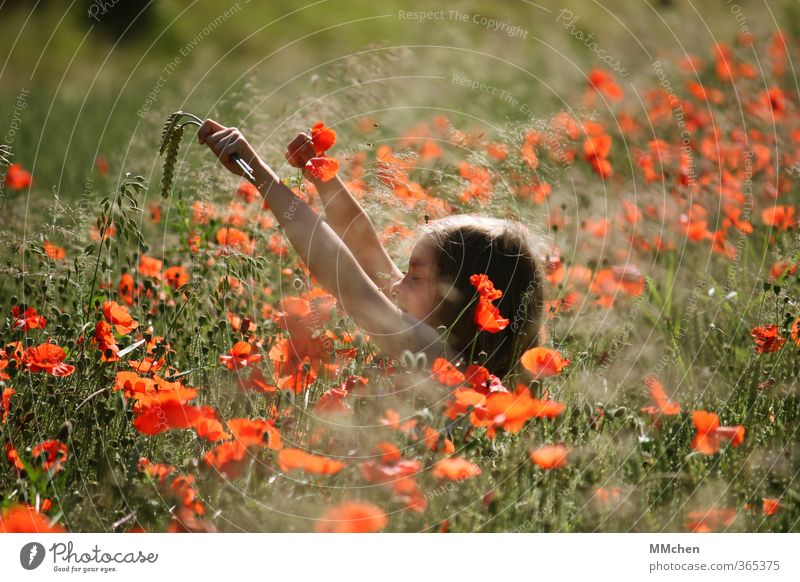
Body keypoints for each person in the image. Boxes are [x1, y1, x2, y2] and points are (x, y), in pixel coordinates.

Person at [198, 120, 544, 382]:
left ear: (460, 301)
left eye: (415, 277)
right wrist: (321, 173)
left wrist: (260, 175)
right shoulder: (442, 336)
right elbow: (366, 250)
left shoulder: (441, 358)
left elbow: (348, 280)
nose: (395, 284)